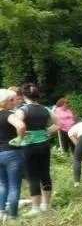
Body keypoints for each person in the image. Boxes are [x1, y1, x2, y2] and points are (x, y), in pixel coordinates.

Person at [16, 83, 57, 216]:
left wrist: (20, 137)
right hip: (44, 145)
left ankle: (36, 208)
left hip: (28, 146)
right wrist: (48, 132)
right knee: (45, 174)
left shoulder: (23, 110)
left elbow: (19, 126)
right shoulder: (46, 109)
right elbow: (59, 124)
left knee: (32, 176)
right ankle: (46, 205)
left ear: (23, 96)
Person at [0, 89, 26, 221]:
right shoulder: (8, 114)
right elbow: (21, 126)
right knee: (14, 186)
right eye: (11, 100)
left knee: (2, 184)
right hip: (12, 152)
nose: (13, 102)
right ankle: (13, 216)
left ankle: (1, 212)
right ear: (5, 101)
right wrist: (20, 139)